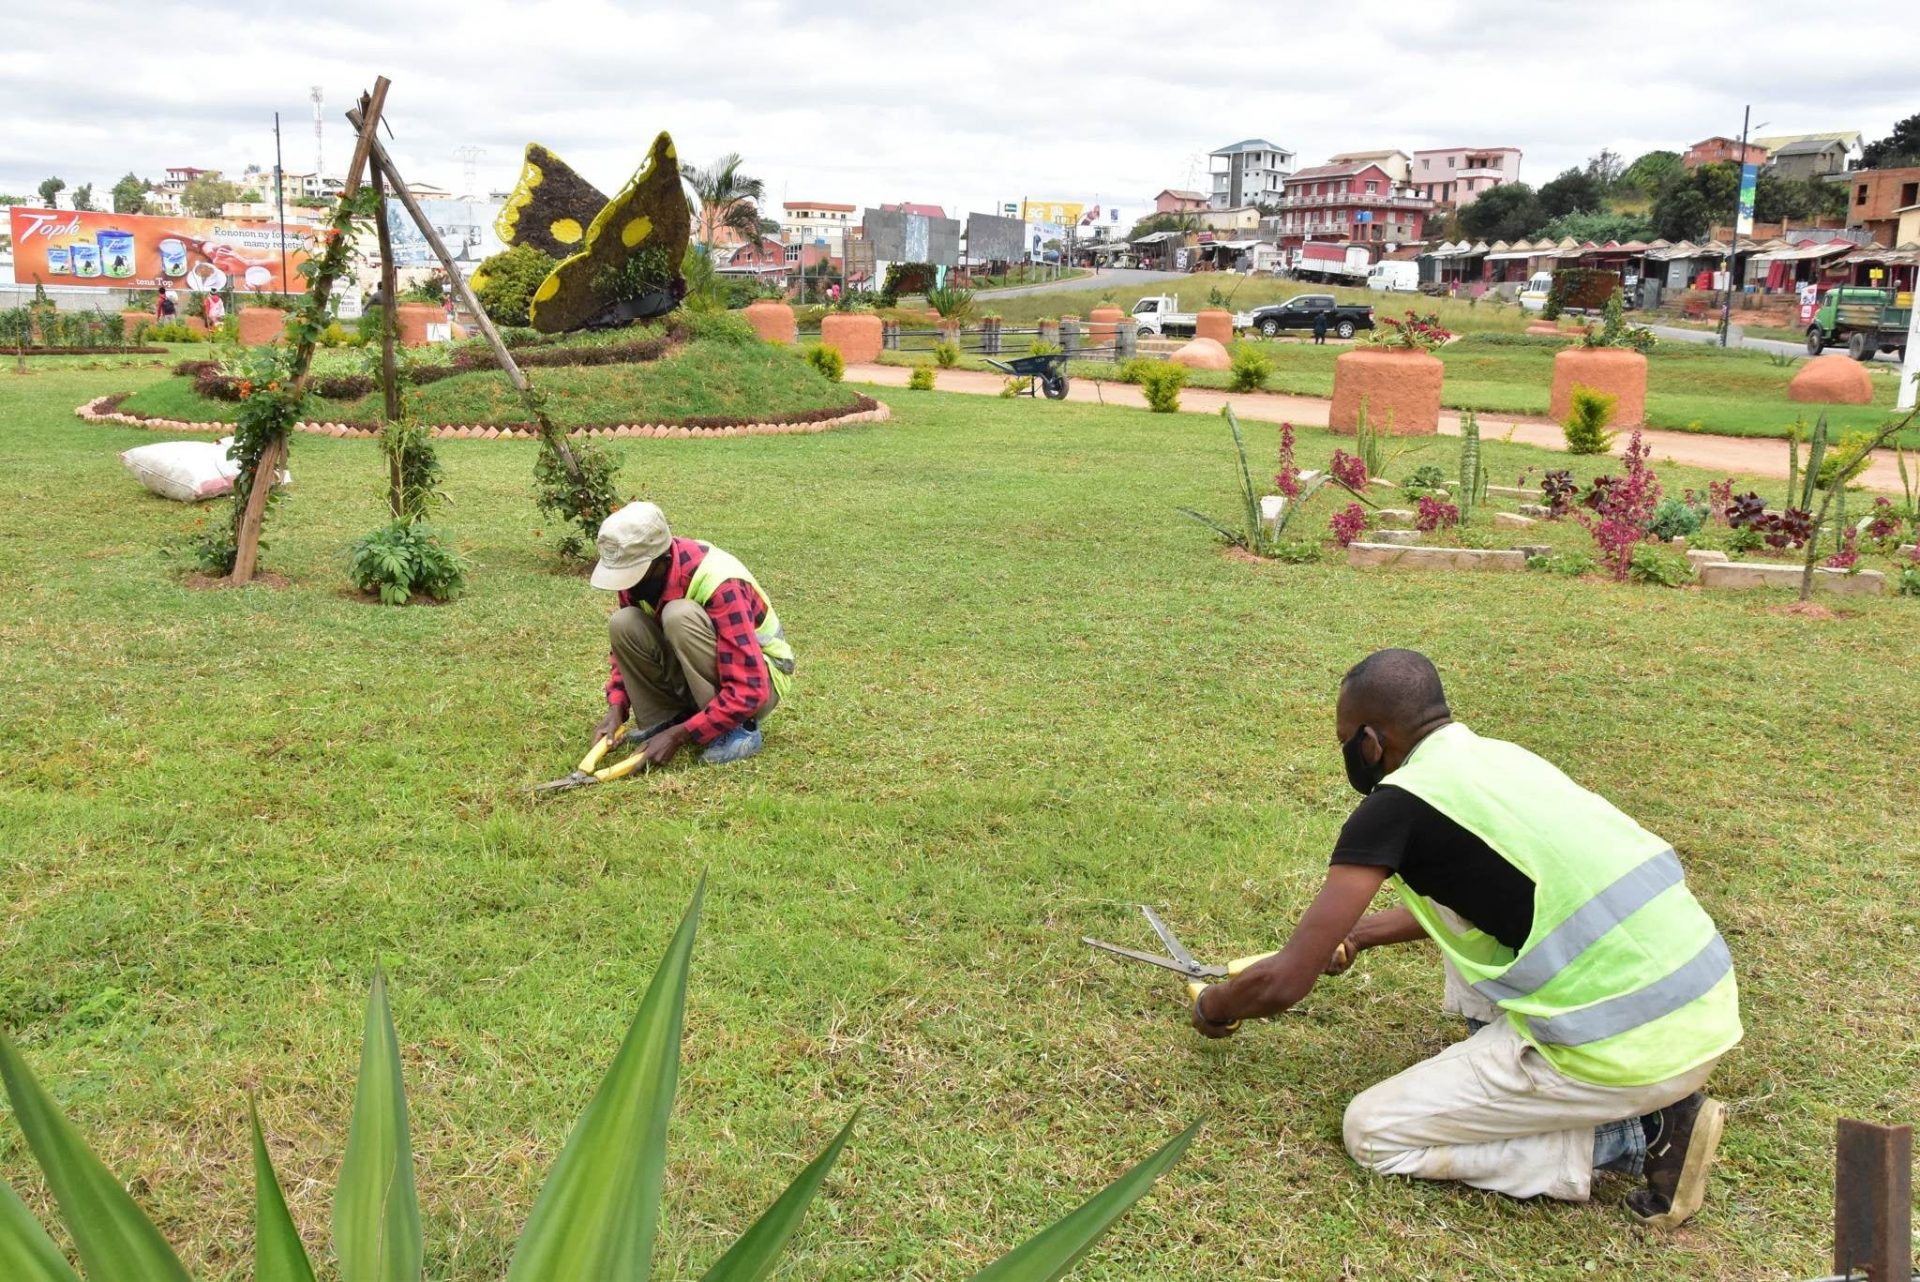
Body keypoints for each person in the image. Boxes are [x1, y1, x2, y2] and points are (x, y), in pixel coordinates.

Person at [1189, 649, 1741, 1227]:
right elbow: (1494, 890)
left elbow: (1284, 982)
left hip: (1627, 1048)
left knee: (1373, 1132)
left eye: (1345, 739)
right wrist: (1360, 934)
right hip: (1700, 1003)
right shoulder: (1499, 760)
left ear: (1371, 742)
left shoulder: (1393, 810)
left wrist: (1216, 1005)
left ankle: (1639, 1135)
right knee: (1447, 894)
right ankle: (1558, 1086)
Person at [588, 501, 793, 767]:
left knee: (679, 616)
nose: (626, 585)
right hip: (710, 676)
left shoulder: (721, 581)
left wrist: (681, 735)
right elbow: (622, 655)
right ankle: (666, 719)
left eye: (632, 574)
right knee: (624, 622)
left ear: (662, 561)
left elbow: (749, 688)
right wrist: (616, 707)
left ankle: (739, 728)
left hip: (760, 682)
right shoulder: (639, 578)